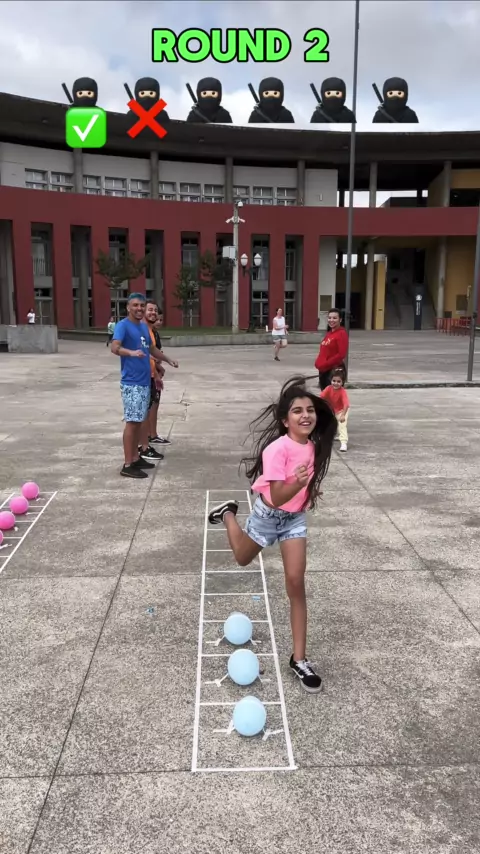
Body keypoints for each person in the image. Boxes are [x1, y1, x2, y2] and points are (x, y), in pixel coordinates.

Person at [208, 376, 337, 693]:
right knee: (242, 558)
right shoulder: (276, 450)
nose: (305, 415)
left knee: (295, 582)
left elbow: (301, 487)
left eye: (310, 410)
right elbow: (278, 496)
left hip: (294, 519)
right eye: (297, 411)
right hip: (268, 515)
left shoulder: (313, 447)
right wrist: (297, 483)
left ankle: (299, 659)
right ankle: (228, 514)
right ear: (285, 420)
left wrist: (307, 491)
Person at [110, 293, 178, 479]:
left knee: (140, 421)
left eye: (141, 305)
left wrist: (167, 360)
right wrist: (131, 353)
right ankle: (127, 464)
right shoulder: (123, 325)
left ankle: (136, 457)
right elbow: (115, 347)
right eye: (135, 305)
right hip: (132, 383)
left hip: (144, 381)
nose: (139, 308)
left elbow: (151, 349)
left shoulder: (142, 327)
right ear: (128, 308)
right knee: (132, 423)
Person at [143, 302, 171, 446]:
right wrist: (157, 371)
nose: (158, 321)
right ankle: (149, 437)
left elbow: (154, 353)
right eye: (156, 318)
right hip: (147, 375)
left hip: (154, 373)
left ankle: (150, 435)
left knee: (154, 404)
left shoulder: (154, 334)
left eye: (160, 319)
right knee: (149, 407)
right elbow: (146, 354)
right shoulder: (144, 332)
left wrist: (161, 364)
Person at [315, 308, 348, 390]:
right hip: (323, 370)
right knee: (324, 395)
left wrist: (325, 364)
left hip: (334, 371)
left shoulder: (341, 333)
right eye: (329, 318)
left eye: (334, 318)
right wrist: (318, 363)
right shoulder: (329, 333)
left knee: (333, 396)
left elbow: (341, 354)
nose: (331, 320)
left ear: (340, 320)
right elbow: (323, 351)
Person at [320, 368, 350, 453]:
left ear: (342, 382)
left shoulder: (342, 391)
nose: (336, 383)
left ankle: (343, 442)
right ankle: (327, 437)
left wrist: (343, 415)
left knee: (342, 425)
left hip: (342, 410)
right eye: (334, 381)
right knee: (328, 423)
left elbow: (346, 404)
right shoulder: (328, 389)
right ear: (331, 380)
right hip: (332, 410)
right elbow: (321, 398)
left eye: (338, 381)